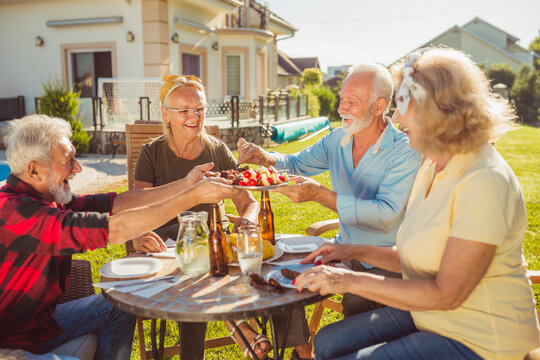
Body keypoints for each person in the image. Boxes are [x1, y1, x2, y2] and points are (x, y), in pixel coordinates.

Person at [295, 47, 540, 359]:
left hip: (481, 339)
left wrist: (347, 279)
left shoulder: (485, 180)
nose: (396, 119)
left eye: (403, 106)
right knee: (328, 341)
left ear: (438, 110)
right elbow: (414, 255)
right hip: (429, 316)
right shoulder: (432, 165)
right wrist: (350, 251)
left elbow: (446, 294)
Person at [0, 115, 240, 359]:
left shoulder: (47, 199)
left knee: (121, 304)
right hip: (10, 345)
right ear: (34, 170)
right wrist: (194, 197)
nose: (78, 167)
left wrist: (186, 185)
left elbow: (118, 203)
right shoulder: (15, 214)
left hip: (39, 327)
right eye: (68, 160)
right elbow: (114, 228)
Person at [237, 63, 422, 359]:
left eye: (351, 101)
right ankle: (301, 350)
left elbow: (386, 214)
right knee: (281, 274)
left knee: (354, 326)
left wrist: (319, 195)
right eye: (341, 99)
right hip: (341, 250)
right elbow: (296, 163)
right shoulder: (337, 139)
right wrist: (265, 157)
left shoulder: (405, 150)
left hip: (386, 262)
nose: (341, 108)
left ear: (378, 107)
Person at [132, 74, 270, 360]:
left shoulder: (217, 150)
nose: (194, 117)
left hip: (215, 243)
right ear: (166, 115)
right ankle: (241, 327)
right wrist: (137, 234)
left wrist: (249, 219)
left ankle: (298, 349)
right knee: (195, 267)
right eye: (184, 111)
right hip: (169, 244)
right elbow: (138, 206)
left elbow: (248, 202)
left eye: (200, 109)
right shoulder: (151, 153)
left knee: (263, 267)